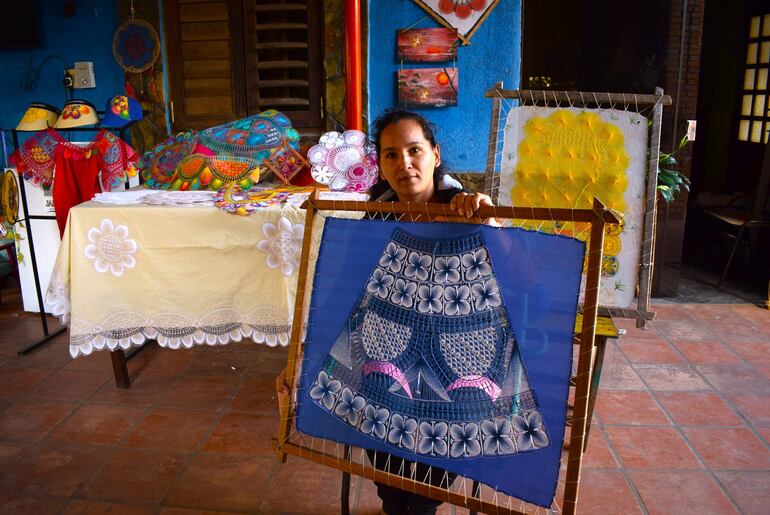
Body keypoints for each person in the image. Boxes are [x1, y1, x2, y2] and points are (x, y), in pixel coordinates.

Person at [276, 108, 497, 515]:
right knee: (387, 463)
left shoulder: (465, 209)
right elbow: (346, 290)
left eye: (414, 150)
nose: (405, 163)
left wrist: (489, 216)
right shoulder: (375, 213)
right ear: (381, 163)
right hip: (386, 358)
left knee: (432, 473)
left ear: (435, 153)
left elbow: (505, 272)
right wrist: (301, 362)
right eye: (391, 154)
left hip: (451, 362)